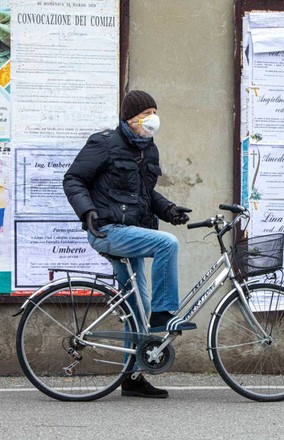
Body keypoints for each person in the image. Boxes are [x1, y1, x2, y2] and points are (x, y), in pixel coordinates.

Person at [63, 90, 195, 398]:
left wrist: (168, 209)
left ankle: (132, 378)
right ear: (130, 117)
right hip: (108, 230)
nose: (152, 118)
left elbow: (146, 196)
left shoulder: (149, 150)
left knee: (136, 308)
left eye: (154, 111)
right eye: (146, 112)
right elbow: (73, 179)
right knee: (167, 244)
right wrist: (88, 211)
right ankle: (164, 314)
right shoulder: (105, 143)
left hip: (131, 233)